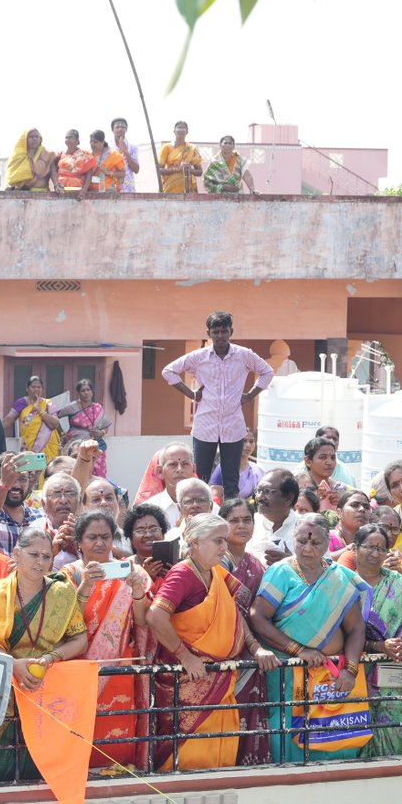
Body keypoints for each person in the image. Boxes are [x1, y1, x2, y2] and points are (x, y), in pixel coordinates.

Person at [149, 513, 277, 771]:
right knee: (189, 758)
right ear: (195, 542)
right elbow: (155, 615)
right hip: (190, 681)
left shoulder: (216, 573)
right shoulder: (183, 574)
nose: (224, 547)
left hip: (220, 680)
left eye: (224, 541)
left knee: (220, 756)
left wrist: (255, 648)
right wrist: (185, 657)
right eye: (218, 541)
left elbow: (234, 616)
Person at [0, 527, 88, 782]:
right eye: (34, 554)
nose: (40, 562)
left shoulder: (62, 592)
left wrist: (50, 658)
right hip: (6, 689)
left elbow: (80, 639)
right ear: (16, 554)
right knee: (5, 759)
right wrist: (13, 664)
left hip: (47, 685)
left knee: (44, 761)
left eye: (46, 557)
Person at [250, 513, 367, 763]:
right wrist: (299, 651)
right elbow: (258, 618)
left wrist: (350, 669)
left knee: (334, 738)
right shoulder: (281, 572)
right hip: (287, 674)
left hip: (329, 677)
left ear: (327, 543)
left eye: (315, 543)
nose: (307, 549)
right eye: (302, 541)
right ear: (293, 538)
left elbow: (356, 628)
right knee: (287, 736)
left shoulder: (339, 576)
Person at [66, 511, 153, 768]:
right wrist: (86, 586)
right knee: (82, 732)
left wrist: (137, 590)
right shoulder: (69, 575)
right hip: (80, 666)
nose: (99, 543)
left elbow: (142, 622)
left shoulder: (133, 573)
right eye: (92, 537)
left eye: (105, 537)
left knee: (118, 731)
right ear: (79, 541)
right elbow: (67, 623)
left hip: (119, 667)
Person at [163, 312, 274, 494]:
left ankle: (231, 511)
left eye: (224, 331)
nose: (220, 336)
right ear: (209, 333)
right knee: (200, 478)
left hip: (233, 426)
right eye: (216, 332)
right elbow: (168, 371)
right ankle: (199, 511)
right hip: (205, 426)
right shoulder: (199, 357)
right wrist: (191, 394)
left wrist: (250, 395)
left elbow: (267, 372)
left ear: (231, 331)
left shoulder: (244, 355)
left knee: (231, 480)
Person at [349, 523, 402, 756]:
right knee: (354, 730)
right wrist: (377, 646)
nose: (375, 553)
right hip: (354, 668)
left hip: (391, 668)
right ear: (355, 548)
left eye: (381, 549)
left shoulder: (398, 582)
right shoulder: (343, 583)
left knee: (392, 731)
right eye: (369, 547)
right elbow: (337, 632)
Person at [56, 379, 112, 478]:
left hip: (95, 445)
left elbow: (105, 427)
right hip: (76, 446)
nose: (86, 393)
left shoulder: (98, 408)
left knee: (98, 475)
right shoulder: (72, 407)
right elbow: (55, 416)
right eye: (83, 390)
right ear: (78, 393)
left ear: (92, 392)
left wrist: (101, 433)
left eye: (88, 390)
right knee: (77, 472)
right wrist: (62, 433)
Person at [3, 376, 62, 467]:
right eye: (33, 387)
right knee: (30, 473)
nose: (36, 389)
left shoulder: (48, 404)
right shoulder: (22, 403)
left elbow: (55, 424)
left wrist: (39, 409)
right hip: (29, 448)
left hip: (49, 447)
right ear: (27, 388)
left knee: (49, 472)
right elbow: (8, 419)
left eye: (39, 387)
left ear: (42, 389)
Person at [125, 503, 171, 583]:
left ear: (163, 534)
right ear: (131, 539)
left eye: (154, 529)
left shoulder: (176, 565)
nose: (148, 535)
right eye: (140, 530)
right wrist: (146, 577)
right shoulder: (125, 567)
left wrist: (175, 576)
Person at [158, 121, 203, 193]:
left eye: (183, 128)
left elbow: (199, 172)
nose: (181, 130)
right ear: (174, 131)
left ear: (187, 131)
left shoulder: (191, 148)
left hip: (188, 188)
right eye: (179, 127)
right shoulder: (166, 147)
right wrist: (176, 169)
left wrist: (189, 170)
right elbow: (159, 170)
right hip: (170, 187)